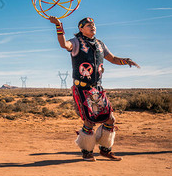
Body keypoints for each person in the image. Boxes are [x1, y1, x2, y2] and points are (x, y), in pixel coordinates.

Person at [49, 16, 140, 161]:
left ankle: (105, 150)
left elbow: (113, 59)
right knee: (89, 121)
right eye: (89, 25)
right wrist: (59, 26)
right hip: (82, 89)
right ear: (81, 28)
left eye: (94, 25)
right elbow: (63, 44)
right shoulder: (76, 42)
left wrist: (125, 61)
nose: (93, 27)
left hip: (97, 89)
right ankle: (87, 151)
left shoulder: (99, 44)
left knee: (110, 119)